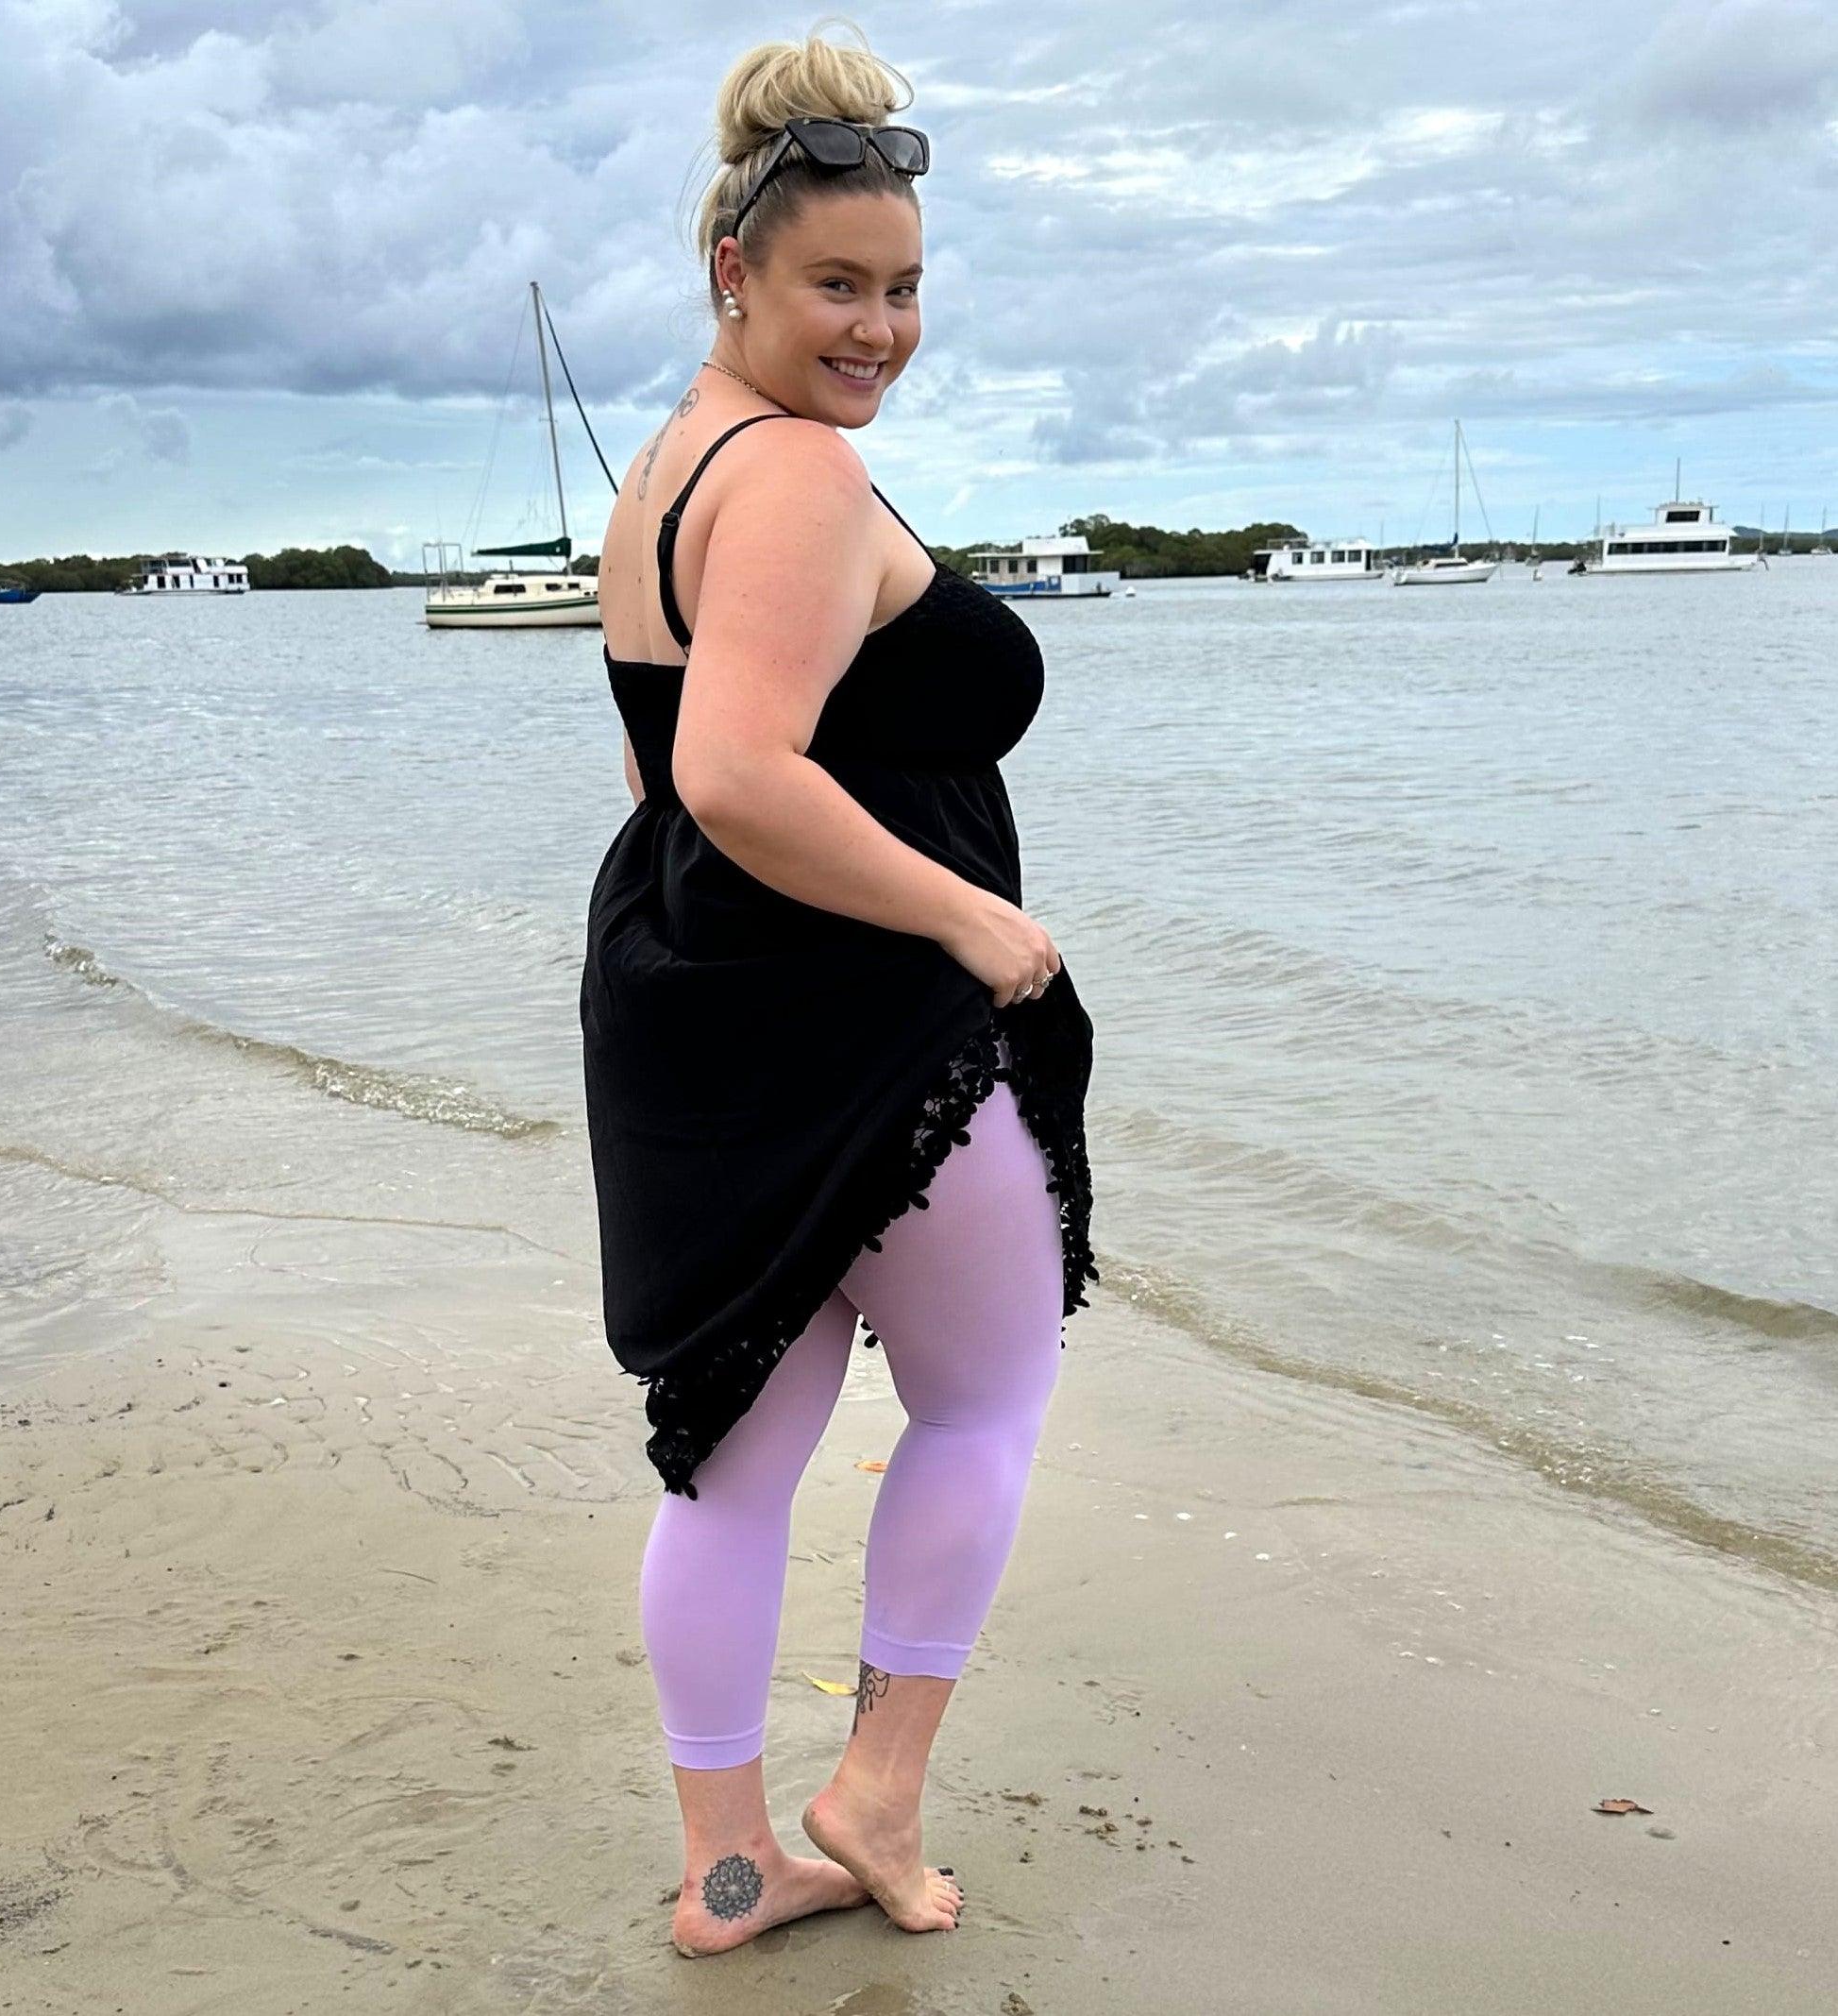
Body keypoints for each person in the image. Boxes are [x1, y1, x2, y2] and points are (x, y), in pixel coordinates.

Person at [582, 25, 1097, 1960]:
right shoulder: (794, 472)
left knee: (735, 1465)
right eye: (838, 286)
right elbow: (735, 773)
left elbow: (660, 772)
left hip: (701, 1000)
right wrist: (974, 925)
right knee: (982, 1404)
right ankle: (870, 1797)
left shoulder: (671, 462)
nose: (879, 330)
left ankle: (731, 1875)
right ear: (736, 270)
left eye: (904, 290)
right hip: (864, 1017)